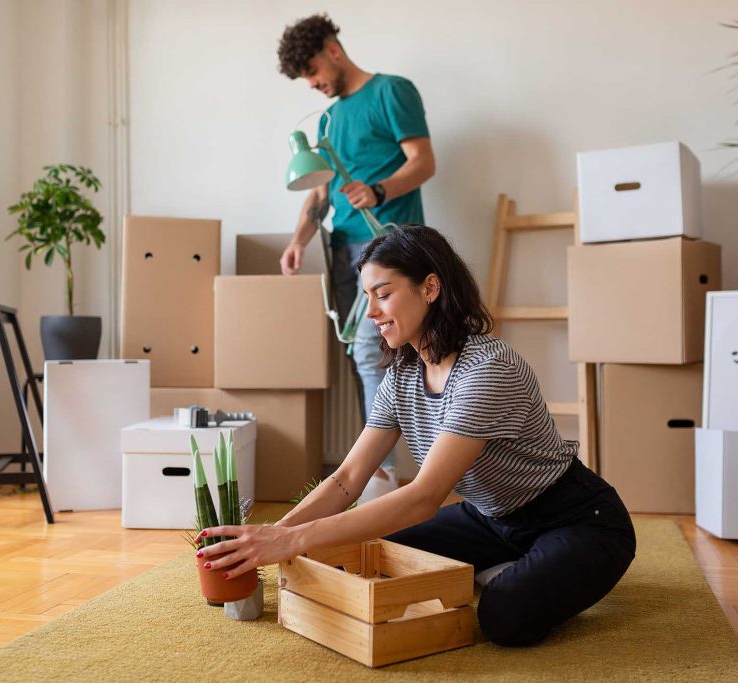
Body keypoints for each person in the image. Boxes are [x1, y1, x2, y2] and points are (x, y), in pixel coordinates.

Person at [200, 224, 637, 646]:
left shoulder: (486, 371)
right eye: (367, 297)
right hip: (489, 517)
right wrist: (270, 537)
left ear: (430, 287)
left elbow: (424, 497)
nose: (370, 312)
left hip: (578, 519)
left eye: (384, 295)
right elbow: (347, 478)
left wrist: (292, 540)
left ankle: (518, 572)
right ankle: (503, 564)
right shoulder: (402, 376)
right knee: (370, 558)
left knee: (503, 617)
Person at [276, 14, 436, 501]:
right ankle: (385, 473)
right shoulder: (327, 120)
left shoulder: (392, 91)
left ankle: (384, 477)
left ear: (332, 50)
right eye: (304, 79)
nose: (313, 84)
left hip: (389, 244)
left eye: (311, 71)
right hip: (344, 249)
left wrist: (380, 189)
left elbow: (424, 162)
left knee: (379, 353)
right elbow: (319, 193)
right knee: (365, 356)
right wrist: (299, 238)